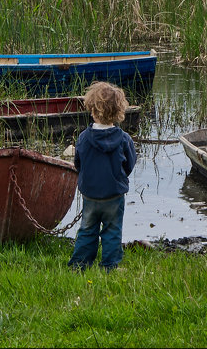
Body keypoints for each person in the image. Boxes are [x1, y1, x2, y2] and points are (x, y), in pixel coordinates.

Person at [68, 81, 137, 271]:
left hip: (90, 194)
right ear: (119, 112)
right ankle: (110, 265)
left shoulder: (83, 138)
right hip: (114, 195)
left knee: (87, 230)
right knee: (112, 231)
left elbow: (78, 163)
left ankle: (80, 265)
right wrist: (118, 177)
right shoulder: (124, 139)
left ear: (92, 109)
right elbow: (129, 164)